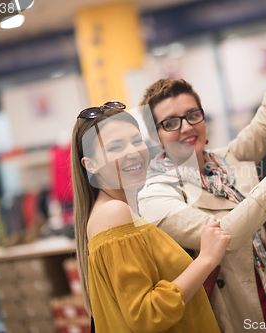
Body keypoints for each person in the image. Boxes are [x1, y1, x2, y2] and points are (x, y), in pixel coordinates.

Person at [137, 14, 266, 333]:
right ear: (156, 136)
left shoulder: (228, 158)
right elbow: (225, 235)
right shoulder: (155, 194)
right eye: (170, 122)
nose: (186, 128)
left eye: (192, 115)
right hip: (230, 318)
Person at [71, 101, 231, 333]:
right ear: (91, 165)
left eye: (136, 141)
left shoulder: (121, 209)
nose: (134, 152)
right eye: (116, 147)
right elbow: (147, 315)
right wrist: (206, 259)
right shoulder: (113, 213)